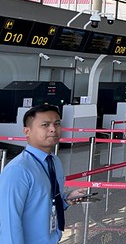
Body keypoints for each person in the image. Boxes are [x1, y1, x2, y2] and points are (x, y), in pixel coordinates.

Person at [0, 104, 86, 243]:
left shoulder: (55, 162)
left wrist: (65, 200)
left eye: (57, 124)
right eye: (45, 125)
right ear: (27, 131)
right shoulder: (18, 170)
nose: (53, 129)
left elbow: (44, 202)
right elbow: (9, 223)